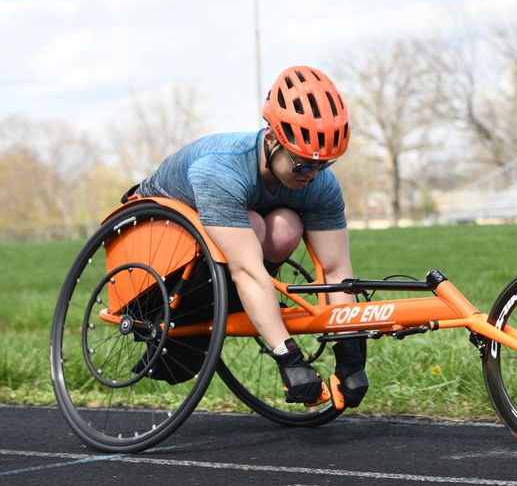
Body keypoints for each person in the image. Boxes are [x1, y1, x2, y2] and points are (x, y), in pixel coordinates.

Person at [132, 65, 367, 408]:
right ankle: (234, 302)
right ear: (272, 138)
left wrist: (351, 355)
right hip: (160, 232)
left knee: (286, 226)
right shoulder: (221, 170)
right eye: (302, 164)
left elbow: (336, 272)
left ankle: (245, 302)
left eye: (324, 165)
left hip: (234, 239)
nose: (313, 175)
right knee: (254, 226)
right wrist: (289, 359)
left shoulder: (318, 183)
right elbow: (246, 271)